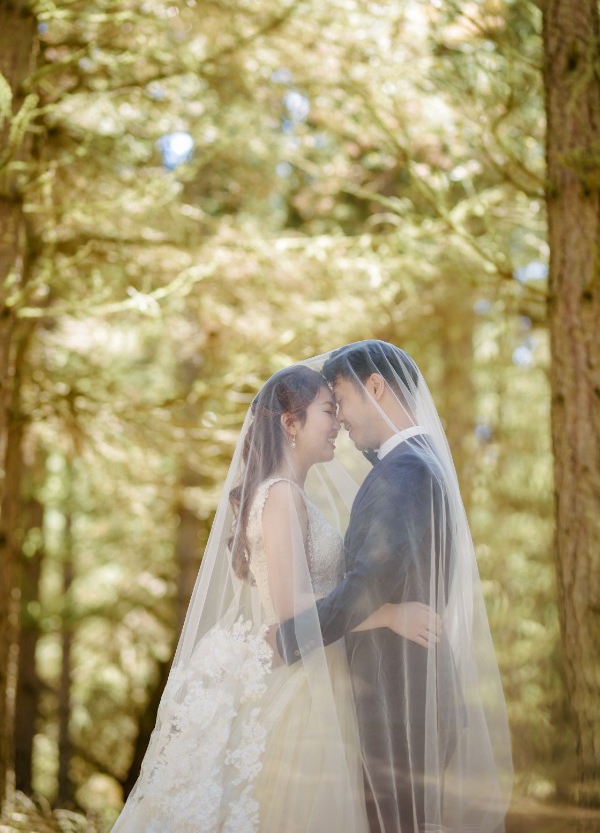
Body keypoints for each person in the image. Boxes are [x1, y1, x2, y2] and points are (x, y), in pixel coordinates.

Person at [112, 363, 440, 833]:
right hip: (300, 682)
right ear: (291, 423)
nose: (338, 423)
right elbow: (290, 611)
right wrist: (389, 613)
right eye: (329, 410)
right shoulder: (282, 495)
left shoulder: (286, 495)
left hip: (314, 667)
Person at [274, 341, 513, 833]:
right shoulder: (419, 464)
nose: (339, 419)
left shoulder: (403, 472)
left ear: (375, 386)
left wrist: (287, 638)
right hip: (406, 695)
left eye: (340, 400)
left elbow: (368, 584)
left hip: (398, 702)